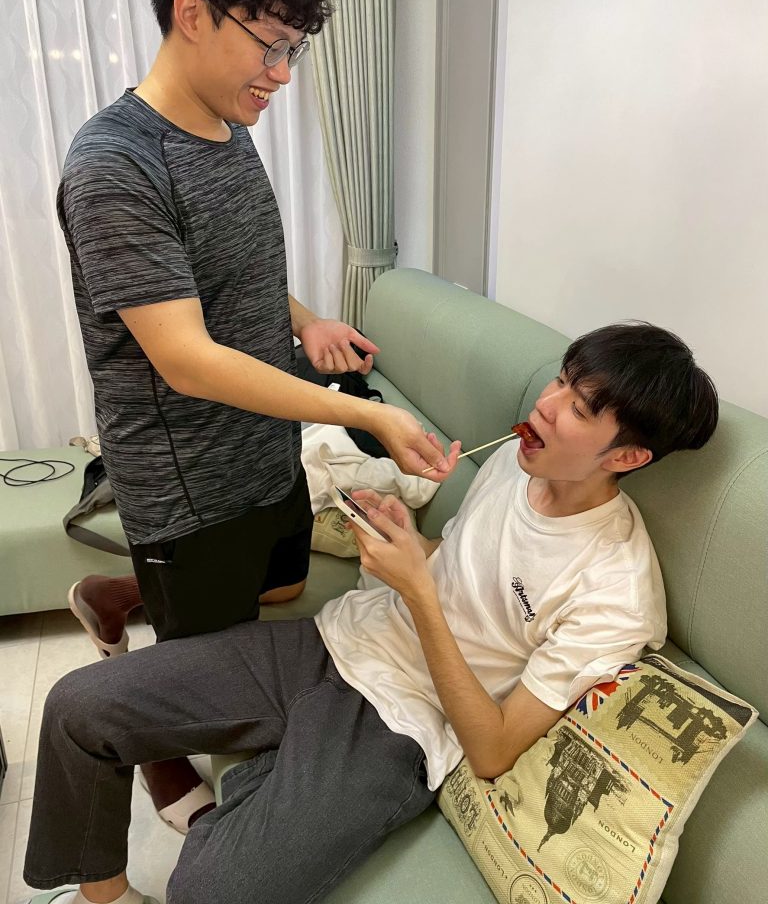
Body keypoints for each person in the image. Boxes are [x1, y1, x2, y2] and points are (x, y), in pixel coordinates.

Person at [23, 322, 719, 904]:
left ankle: (249, 798)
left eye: (580, 408)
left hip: (403, 725)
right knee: (80, 707)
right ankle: (106, 895)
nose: (547, 404)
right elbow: (457, 564)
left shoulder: (616, 592)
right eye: (561, 380)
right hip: (335, 640)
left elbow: (493, 750)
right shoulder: (518, 459)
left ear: (628, 455)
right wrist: (402, 537)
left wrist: (417, 592)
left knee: (212, 889)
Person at [56, 0, 457, 832]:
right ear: (191, 12)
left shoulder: (230, 126)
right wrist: (365, 413)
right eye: (269, 45)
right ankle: (155, 760)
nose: (280, 74)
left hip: (266, 450)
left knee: (277, 589)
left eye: (294, 51)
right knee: (200, 675)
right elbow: (187, 359)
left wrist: (308, 322)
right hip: (186, 483)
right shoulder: (115, 164)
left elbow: (234, 272)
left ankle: (116, 592)